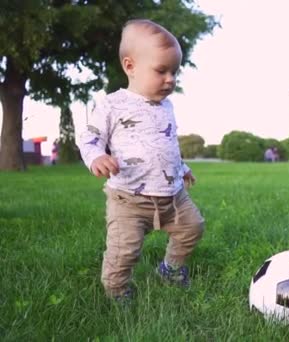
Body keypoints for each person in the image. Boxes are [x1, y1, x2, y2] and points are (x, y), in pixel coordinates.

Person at [77, 19, 205, 301]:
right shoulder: (112, 104)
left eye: (174, 72)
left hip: (173, 196)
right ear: (130, 66)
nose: (170, 79)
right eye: (161, 70)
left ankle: (170, 269)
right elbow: (88, 138)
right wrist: (96, 155)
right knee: (124, 251)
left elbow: (166, 144)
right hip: (129, 200)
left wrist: (181, 168)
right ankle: (117, 290)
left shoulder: (167, 105)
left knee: (193, 227)